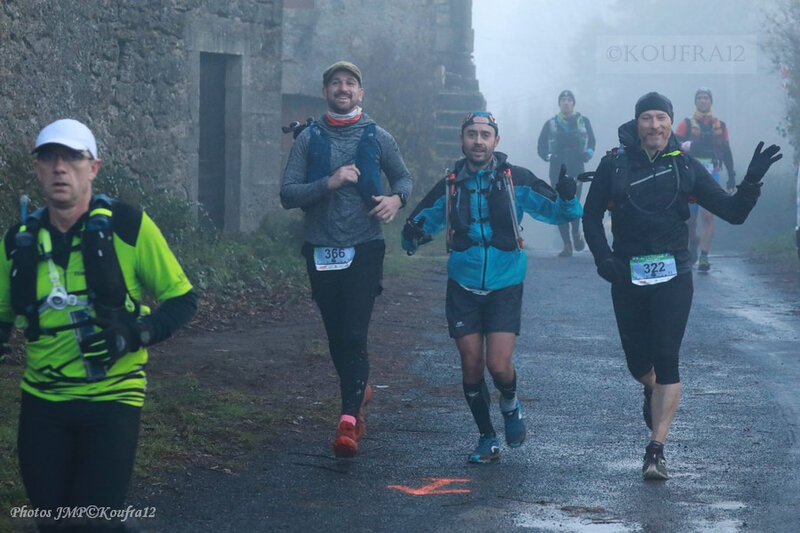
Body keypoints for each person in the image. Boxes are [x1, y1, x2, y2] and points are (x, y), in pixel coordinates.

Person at [0, 118, 198, 531]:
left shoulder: (128, 226)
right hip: (43, 400)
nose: (60, 168)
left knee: (93, 521)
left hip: (113, 397)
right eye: (49, 158)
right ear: (36, 169)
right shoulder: (18, 241)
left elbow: (182, 299)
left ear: (93, 168)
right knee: (52, 522)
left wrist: (132, 335)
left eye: (73, 158)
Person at [582, 92, 781, 480]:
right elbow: (590, 218)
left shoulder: (685, 165)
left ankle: (656, 450)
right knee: (640, 365)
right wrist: (603, 259)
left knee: (667, 355)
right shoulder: (614, 164)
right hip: (627, 274)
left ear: (671, 123)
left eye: (661, 118)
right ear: (636, 123)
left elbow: (734, 212)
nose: (654, 125)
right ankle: (651, 389)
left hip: (674, 273)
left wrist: (753, 179)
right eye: (647, 118)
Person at [402, 111, 582, 464]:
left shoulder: (517, 179)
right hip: (463, 284)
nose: (478, 141)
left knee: (498, 365)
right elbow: (424, 221)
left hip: (505, 283)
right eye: (472, 134)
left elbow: (561, 213)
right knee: (471, 365)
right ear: (463, 139)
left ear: (496, 141)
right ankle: (487, 437)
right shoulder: (451, 183)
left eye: (486, 134)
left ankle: (511, 404)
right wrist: (410, 237)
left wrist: (567, 196)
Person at [280, 61, 413, 458]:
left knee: (354, 334)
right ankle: (360, 387)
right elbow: (288, 194)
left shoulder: (378, 136)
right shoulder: (308, 139)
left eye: (350, 83)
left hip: (365, 246)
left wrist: (395, 199)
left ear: (360, 93)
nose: (343, 88)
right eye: (335, 83)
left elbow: (403, 179)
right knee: (337, 335)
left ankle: (348, 421)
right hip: (320, 248)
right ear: (325, 92)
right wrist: (330, 181)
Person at [674, 88, 736, 271]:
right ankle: (692, 242)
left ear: (711, 101)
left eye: (706, 98)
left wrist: (731, 176)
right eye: (699, 98)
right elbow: (673, 145)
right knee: (689, 219)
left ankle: (704, 256)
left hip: (712, 173)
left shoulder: (721, 126)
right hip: (690, 173)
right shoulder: (686, 124)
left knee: (708, 215)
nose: (703, 101)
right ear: (695, 102)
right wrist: (687, 146)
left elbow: (726, 150)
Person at [537, 89, 596, 257]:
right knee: (559, 204)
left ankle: (576, 233)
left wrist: (588, 154)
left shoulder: (583, 121)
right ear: (559, 104)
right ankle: (567, 244)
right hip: (557, 168)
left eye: (569, 99)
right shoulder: (551, 123)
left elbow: (592, 141)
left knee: (574, 202)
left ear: (573, 103)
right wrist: (549, 156)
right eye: (563, 100)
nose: (566, 102)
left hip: (577, 167)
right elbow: (541, 146)